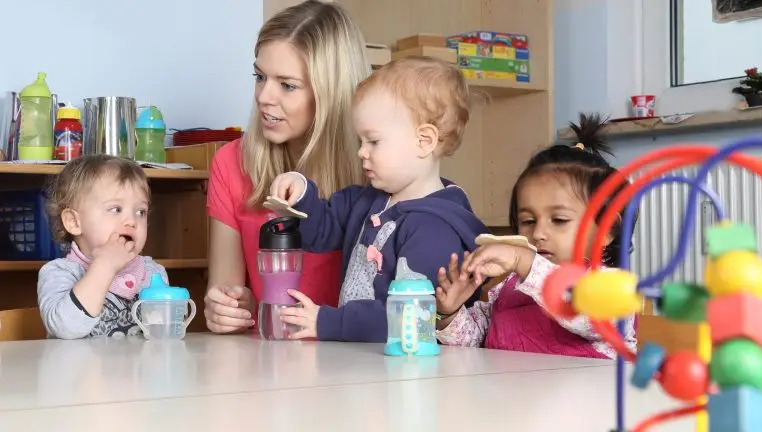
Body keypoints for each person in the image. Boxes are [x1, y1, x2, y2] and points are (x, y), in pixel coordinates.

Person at [269, 56, 488, 342]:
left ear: (424, 141)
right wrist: (301, 194)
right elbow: (319, 233)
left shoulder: (435, 229)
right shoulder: (364, 200)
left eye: (373, 141)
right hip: (365, 361)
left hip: (411, 371)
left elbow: (410, 317)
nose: (361, 152)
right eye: (361, 141)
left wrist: (329, 322)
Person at [203, 0, 371, 334]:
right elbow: (227, 292)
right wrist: (229, 309)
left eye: (287, 84)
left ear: (331, 93)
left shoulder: (376, 171)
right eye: (260, 76)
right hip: (268, 364)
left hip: (356, 367)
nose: (264, 96)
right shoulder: (231, 163)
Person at [434, 113, 639, 359]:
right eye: (528, 221)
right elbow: (477, 342)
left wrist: (526, 263)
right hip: (507, 394)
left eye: (559, 220)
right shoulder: (510, 286)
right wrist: (450, 313)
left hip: (586, 397)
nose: (539, 233)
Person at [38, 155, 168, 339]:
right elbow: (65, 328)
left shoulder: (153, 272)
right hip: (77, 368)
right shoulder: (60, 272)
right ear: (74, 222)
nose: (132, 221)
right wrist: (104, 267)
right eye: (115, 209)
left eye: (140, 212)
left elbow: (162, 337)